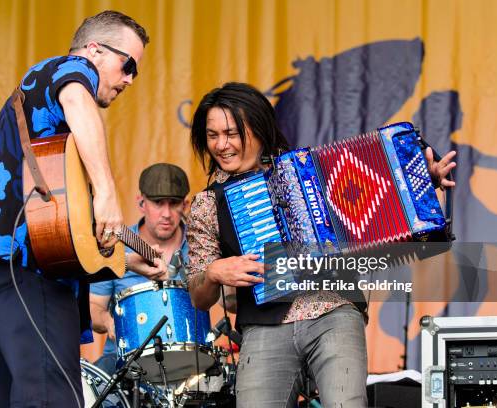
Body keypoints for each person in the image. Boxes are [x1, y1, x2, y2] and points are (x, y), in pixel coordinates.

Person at [185, 82, 457, 408]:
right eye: (212, 135)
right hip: (263, 326)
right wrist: (214, 272)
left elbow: (379, 193)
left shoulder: (306, 169)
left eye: (232, 133)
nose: (222, 145)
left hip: (334, 309)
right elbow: (199, 298)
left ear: (257, 129)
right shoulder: (206, 204)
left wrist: (419, 183)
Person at [0, 11, 152, 408]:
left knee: (10, 398)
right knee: (51, 398)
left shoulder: (52, 130)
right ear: (94, 50)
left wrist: (127, 261)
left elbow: (65, 233)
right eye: (127, 64)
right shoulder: (71, 70)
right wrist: (107, 191)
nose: (130, 78)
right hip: (25, 269)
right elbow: (77, 94)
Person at [89, 163, 191, 375]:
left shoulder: (201, 245)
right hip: (123, 363)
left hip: (187, 361)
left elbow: (227, 300)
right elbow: (93, 307)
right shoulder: (115, 245)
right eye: (157, 203)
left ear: (186, 205)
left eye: (174, 203)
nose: (166, 213)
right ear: (141, 203)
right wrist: (109, 322)